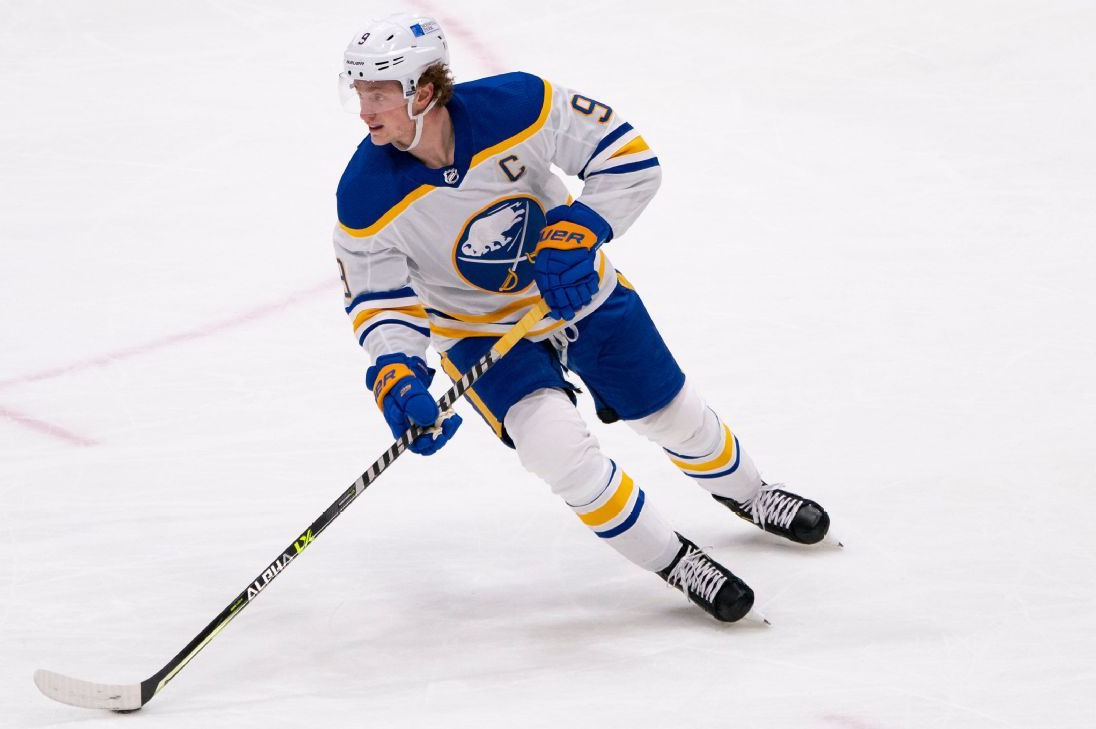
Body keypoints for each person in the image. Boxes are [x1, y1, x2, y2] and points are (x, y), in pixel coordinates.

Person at [332, 13, 832, 623]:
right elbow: (379, 298)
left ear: (424, 92)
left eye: (378, 95)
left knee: (671, 415)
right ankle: (676, 561)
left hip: (577, 295)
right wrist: (396, 371)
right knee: (558, 454)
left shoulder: (518, 105)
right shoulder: (363, 193)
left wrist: (582, 227)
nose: (364, 111)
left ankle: (752, 496)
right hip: (478, 332)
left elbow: (628, 156)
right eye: (359, 94)